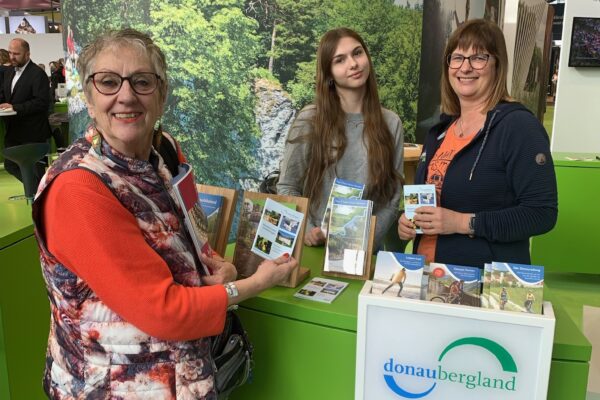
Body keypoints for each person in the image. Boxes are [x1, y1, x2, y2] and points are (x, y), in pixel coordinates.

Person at [32, 28, 297, 399]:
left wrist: (219, 264)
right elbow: (164, 311)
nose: (126, 96)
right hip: (114, 388)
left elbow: (192, 230)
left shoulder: (166, 151)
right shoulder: (78, 190)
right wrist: (252, 284)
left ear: (162, 95)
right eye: (108, 82)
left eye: (142, 81)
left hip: (184, 377)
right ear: (89, 98)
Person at [397, 19, 557, 267]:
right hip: (427, 273)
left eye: (479, 57)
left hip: (483, 286)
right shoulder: (439, 132)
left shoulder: (518, 127)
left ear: (497, 65)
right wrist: (408, 223)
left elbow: (541, 214)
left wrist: (461, 223)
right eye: (458, 57)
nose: (466, 67)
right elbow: (430, 201)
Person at [277, 27, 404, 250]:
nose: (353, 64)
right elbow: (288, 187)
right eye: (340, 60)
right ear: (329, 73)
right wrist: (307, 231)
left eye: (357, 53)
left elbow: (392, 199)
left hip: (363, 254)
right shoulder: (310, 119)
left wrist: (365, 243)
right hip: (314, 250)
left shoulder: (391, 123)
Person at [0, 38, 52, 186]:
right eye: (10, 52)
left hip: (33, 132)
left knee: (36, 170)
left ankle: (38, 195)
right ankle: (36, 191)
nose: (11, 57)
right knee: (11, 165)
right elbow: (6, 95)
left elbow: (41, 103)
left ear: (27, 54)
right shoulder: (9, 72)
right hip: (13, 131)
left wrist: (15, 108)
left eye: (16, 53)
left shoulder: (37, 74)